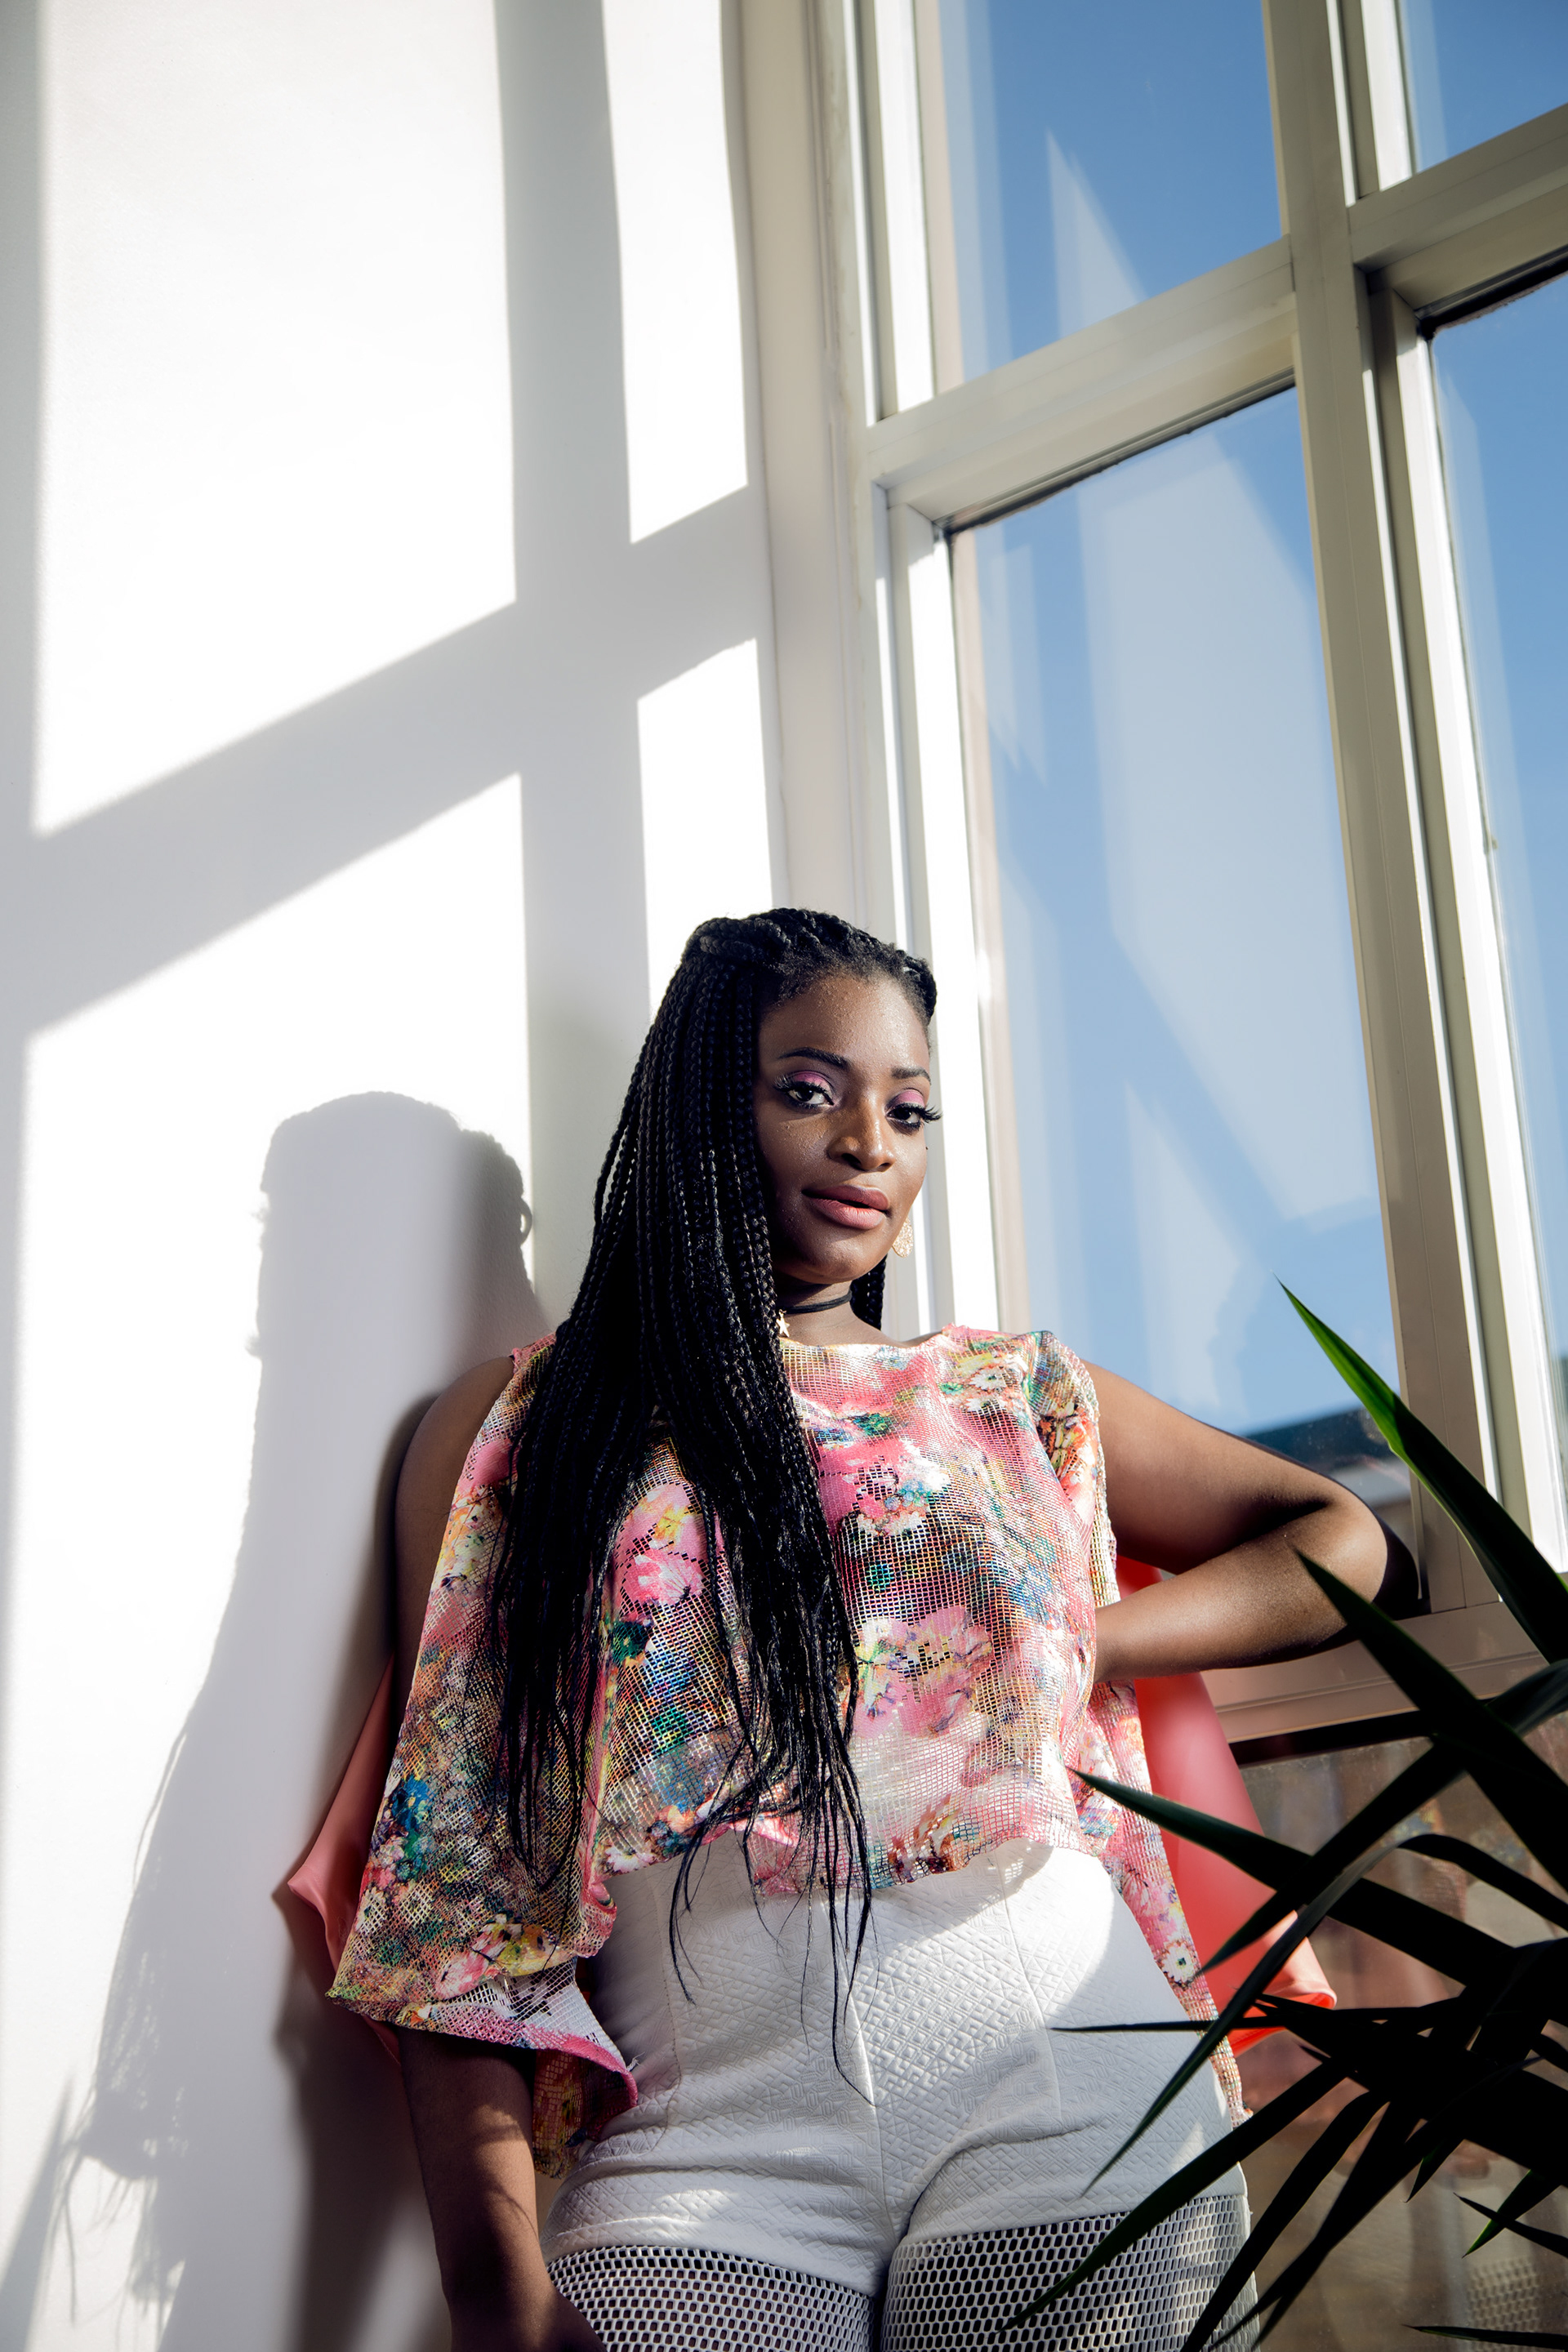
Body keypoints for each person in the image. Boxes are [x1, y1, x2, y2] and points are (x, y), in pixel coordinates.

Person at [323, 908, 1394, 2351]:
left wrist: (1081, 1642)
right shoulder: (528, 1422)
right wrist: (492, 2289)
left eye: (908, 1110)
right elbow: (454, 1864)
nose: (867, 1145)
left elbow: (1343, 1538)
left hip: (1072, 2084)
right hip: (707, 2137)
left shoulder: (1012, 1395)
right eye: (810, 1091)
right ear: (707, 1103)